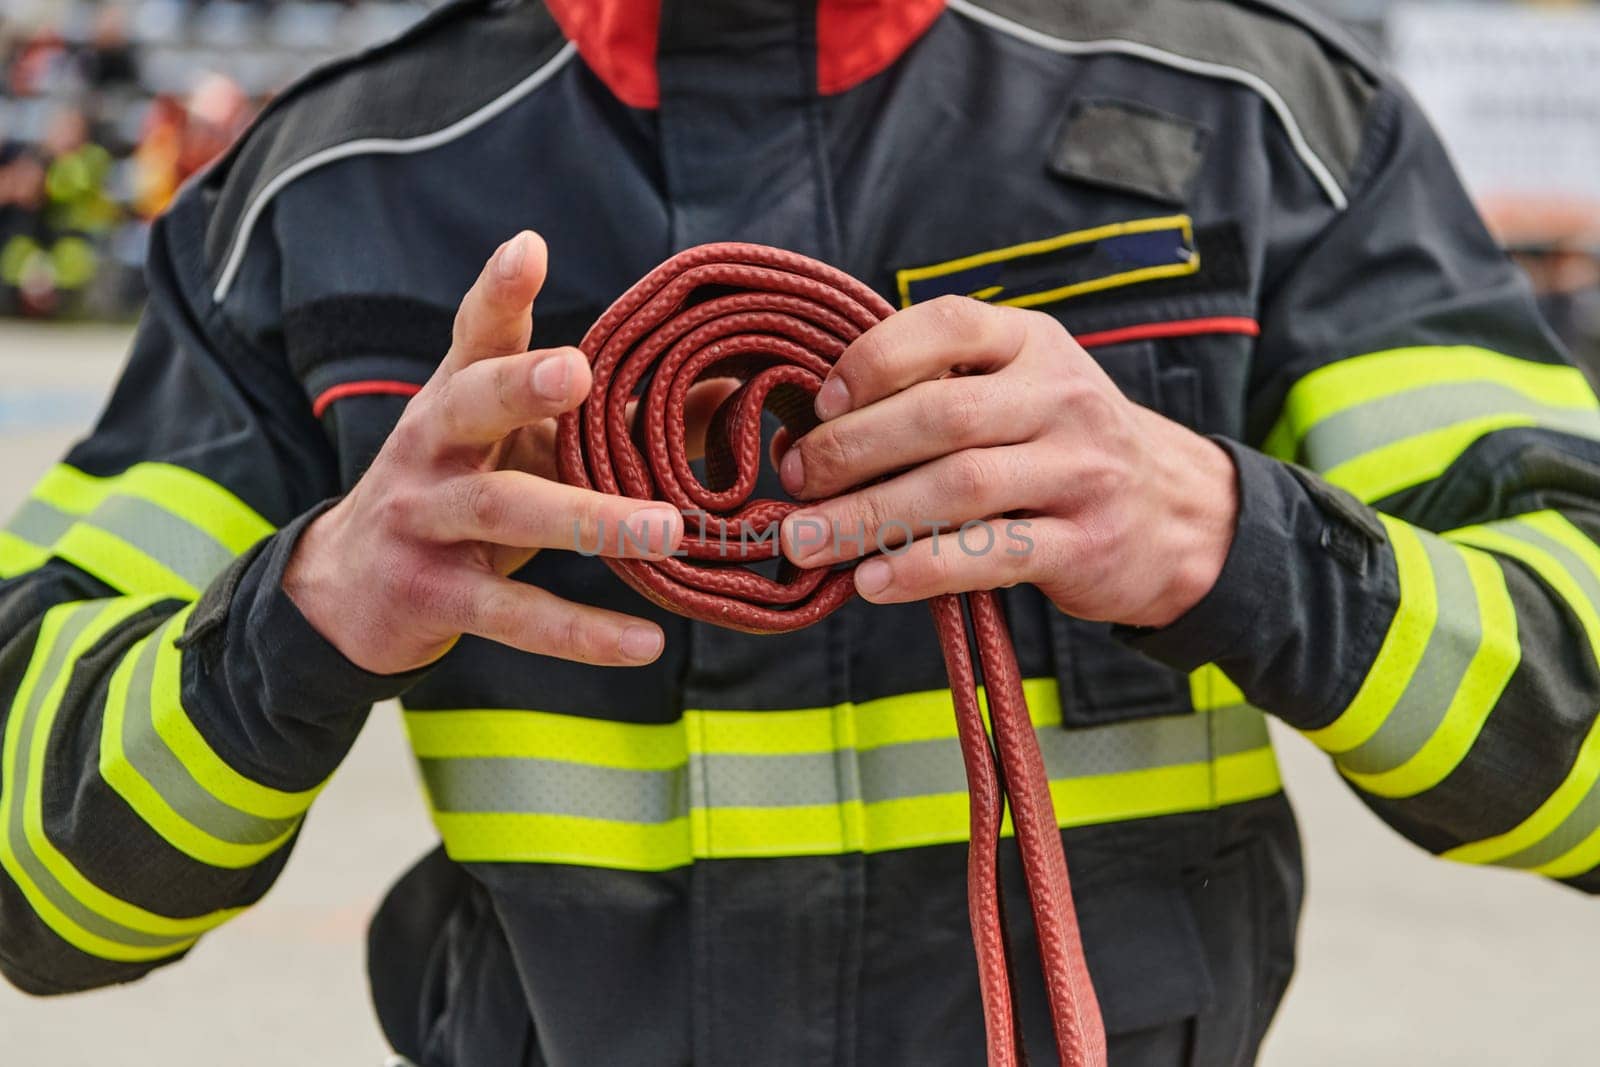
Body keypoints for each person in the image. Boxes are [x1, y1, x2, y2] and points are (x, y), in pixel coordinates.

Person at [3, 1, 1599, 1063]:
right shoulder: (328, 191)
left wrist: (1226, 540)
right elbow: (36, 884)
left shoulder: (1260, 119)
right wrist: (301, 615)